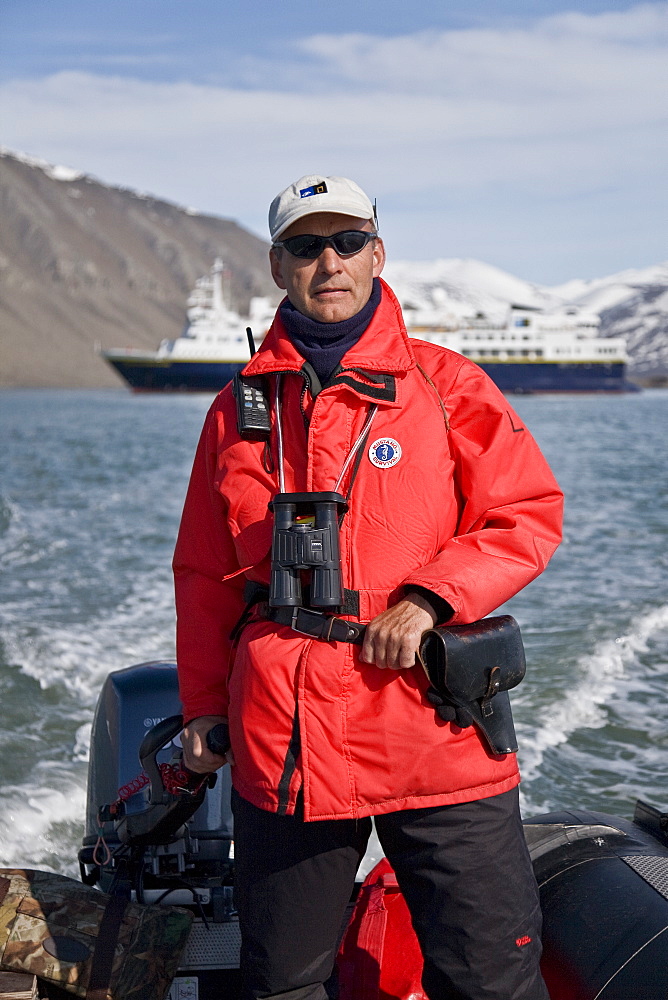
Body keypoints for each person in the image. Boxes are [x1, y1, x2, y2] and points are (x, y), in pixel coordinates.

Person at [174, 174, 563, 1000]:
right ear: (279, 266)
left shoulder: (447, 386)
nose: (330, 261)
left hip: (431, 720)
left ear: (378, 254)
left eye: (347, 241)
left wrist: (429, 597)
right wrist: (206, 704)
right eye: (307, 246)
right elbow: (205, 576)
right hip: (285, 736)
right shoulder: (234, 412)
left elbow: (527, 514)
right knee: (282, 982)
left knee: (492, 978)